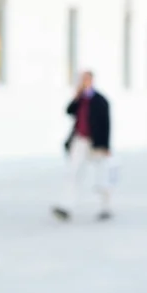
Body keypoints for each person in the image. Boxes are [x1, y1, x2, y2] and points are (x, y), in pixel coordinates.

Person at [53, 70, 113, 222]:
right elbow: (69, 111)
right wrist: (76, 96)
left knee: (101, 175)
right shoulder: (80, 99)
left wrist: (105, 146)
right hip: (79, 140)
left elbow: (106, 124)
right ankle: (66, 206)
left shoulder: (100, 100)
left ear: (92, 80)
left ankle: (105, 207)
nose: (84, 82)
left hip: (96, 143)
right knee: (72, 172)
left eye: (86, 79)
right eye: (82, 79)